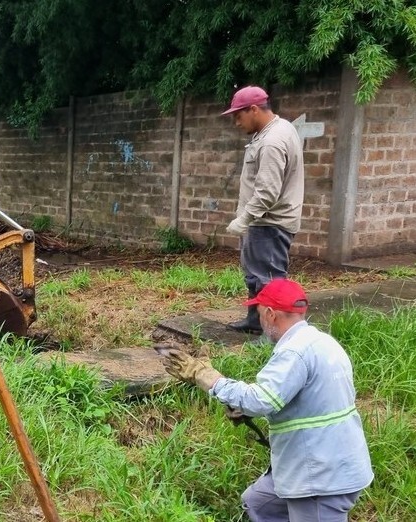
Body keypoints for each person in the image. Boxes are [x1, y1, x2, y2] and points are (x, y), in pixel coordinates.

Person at [160, 278, 373, 522]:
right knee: (260, 504)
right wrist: (246, 410)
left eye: (259, 312)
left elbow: (261, 400)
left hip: (319, 478)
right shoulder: (323, 342)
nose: (259, 320)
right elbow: (309, 400)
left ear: (271, 314)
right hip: (330, 461)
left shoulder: (294, 352)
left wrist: (208, 378)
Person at [221, 86, 304, 334]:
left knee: (269, 279)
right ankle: (255, 322)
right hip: (263, 222)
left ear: (254, 109)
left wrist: (244, 219)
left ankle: (274, 334)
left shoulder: (272, 141)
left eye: (239, 115)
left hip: (269, 222)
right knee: (256, 275)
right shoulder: (277, 129)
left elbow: (267, 192)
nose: (236, 122)